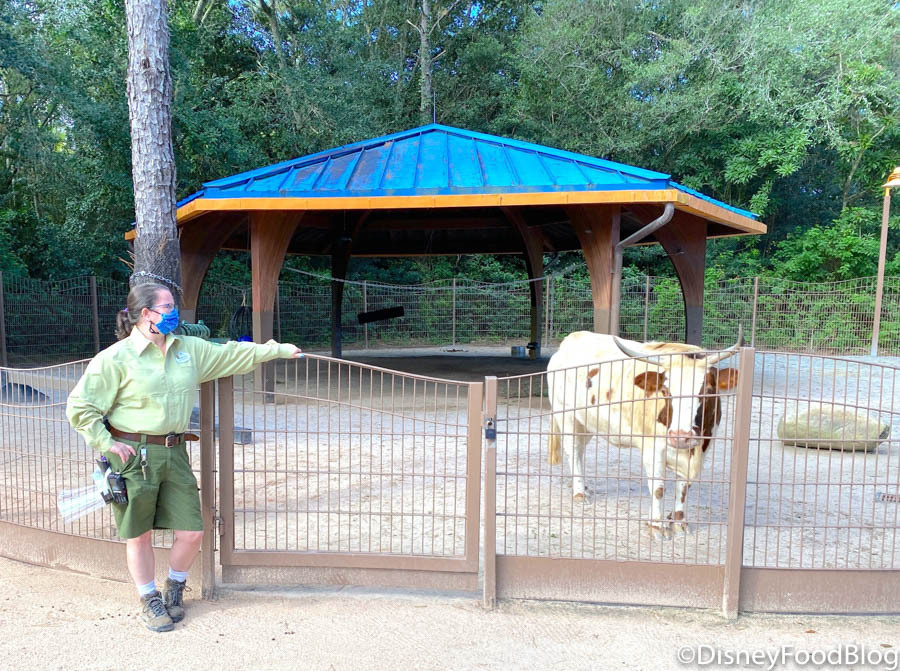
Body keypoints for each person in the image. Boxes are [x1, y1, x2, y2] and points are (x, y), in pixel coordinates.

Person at [66, 282, 303, 632]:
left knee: (193, 530)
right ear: (146, 314)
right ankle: (149, 600)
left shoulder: (187, 349)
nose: (174, 313)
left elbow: (232, 355)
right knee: (139, 533)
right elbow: (80, 406)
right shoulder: (115, 358)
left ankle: (174, 589)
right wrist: (105, 442)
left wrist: (277, 350)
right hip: (134, 454)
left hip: (174, 451)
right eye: (167, 308)